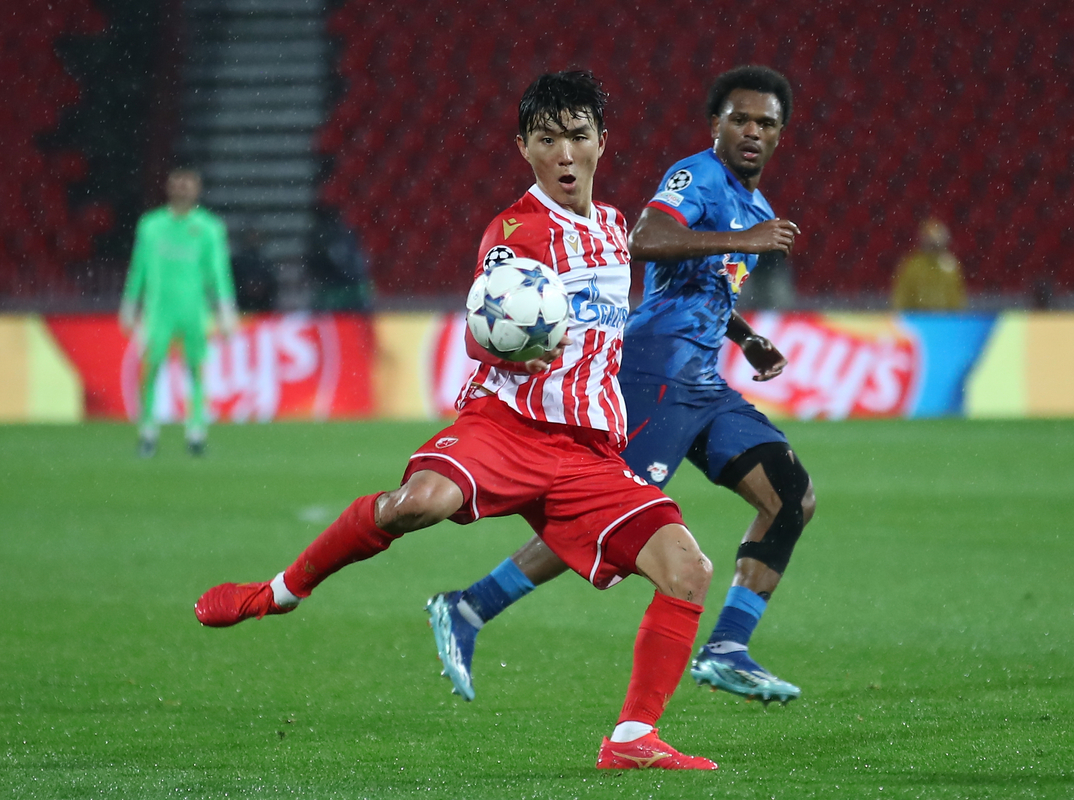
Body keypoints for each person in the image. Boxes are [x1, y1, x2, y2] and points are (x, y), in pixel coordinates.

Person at [193, 71, 718, 771]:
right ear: (523, 149)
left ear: (602, 142)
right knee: (420, 503)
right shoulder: (514, 233)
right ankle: (281, 592)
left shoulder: (618, 229)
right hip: (507, 424)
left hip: (591, 449)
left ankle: (630, 740)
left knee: (688, 569)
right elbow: (480, 325)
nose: (564, 153)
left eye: (577, 136)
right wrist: (518, 345)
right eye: (546, 139)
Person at [428, 65, 816, 708]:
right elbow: (648, 238)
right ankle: (469, 606)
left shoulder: (758, 208)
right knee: (608, 514)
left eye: (765, 123)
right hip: (651, 370)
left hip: (702, 379)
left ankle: (728, 647)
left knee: (791, 497)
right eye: (739, 119)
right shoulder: (698, 177)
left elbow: (711, 283)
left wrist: (744, 336)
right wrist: (744, 239)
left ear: (781, 135)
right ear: (715, 126)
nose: (751, 131)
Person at [119, 168, 237, 457]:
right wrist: (130, 303)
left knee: (196, 371)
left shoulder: (209, 228)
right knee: (151, 369)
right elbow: (139, 267)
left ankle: (195, 433)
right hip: (158, 311)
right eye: (178, 184)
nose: (183, 189)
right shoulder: (151, 225)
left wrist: (225, 308)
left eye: (188, 184)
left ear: (197, 189)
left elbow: (218, 272)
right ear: (169, 188)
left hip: (194, 312)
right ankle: (148, 432)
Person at [890, 217, 967, 311]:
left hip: (944, 320)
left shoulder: (950, 265)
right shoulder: (911, 265)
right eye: (930, 238)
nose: (933, 242)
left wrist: (954, 318)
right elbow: (902, 297)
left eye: (936, 238)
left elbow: (957, 298)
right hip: (918, 320)